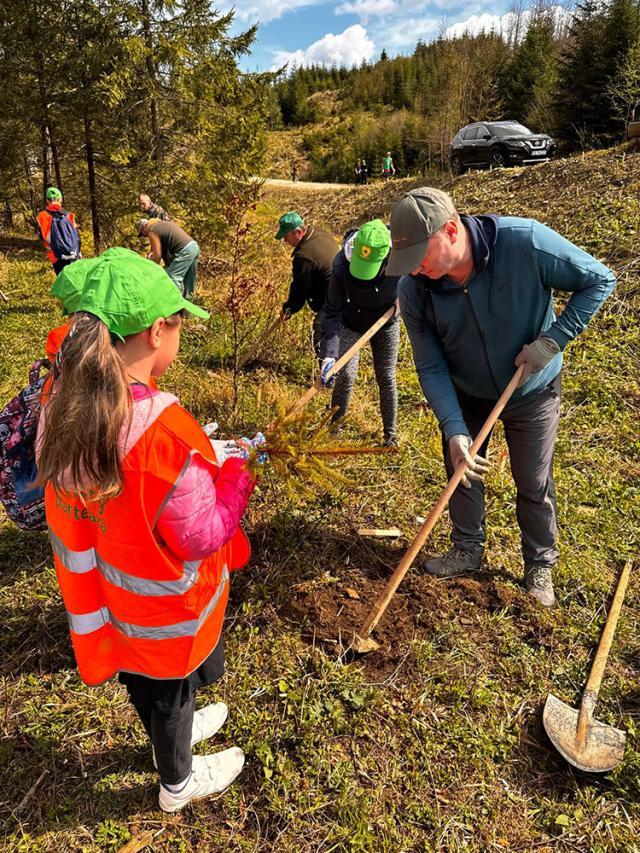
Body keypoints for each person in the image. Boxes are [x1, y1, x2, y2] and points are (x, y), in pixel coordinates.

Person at [36, 248, 265, 812]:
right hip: (163, 616)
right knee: (168, 696)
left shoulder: (60, 404)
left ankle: (177, 736)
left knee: (149, 690)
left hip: (108, 606)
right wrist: (236, 478)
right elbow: (201, 533)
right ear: (157, 331)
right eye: (179, 323)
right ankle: (177, 784)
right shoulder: (159, 432)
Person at [388, 187, 616, 607]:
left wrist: (552, 341)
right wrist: (454, 429)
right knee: (463, 469)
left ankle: (539, 563)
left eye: (420, 254)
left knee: (532, 480)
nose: (415, 268)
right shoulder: (415, 289)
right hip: (467, 393)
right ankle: (468, 548)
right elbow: (431, 366)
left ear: (451, 231)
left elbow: (599, 279)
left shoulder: (524, 243)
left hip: (532, 390)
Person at [320, 219, 400, 446]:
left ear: (386, 258)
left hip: (387, 320)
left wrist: (401, 302)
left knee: (386, 375)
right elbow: (332, 312)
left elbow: (416, 280)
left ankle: (390, 435)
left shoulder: (402, 254)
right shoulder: (340, 266)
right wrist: (329, 354)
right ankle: (334, 429)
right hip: (352, 321)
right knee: (345, 375)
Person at [275, 211, 339, 358]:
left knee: (322, 331)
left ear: (298, 232)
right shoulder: (319, 233)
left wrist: (289, 309)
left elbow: (299, 289)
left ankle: (327, 374)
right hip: (344, 290)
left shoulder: (304, 257)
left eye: (286, 236)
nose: (285, 240)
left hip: (335, 297)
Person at [137, 218, 200, 298]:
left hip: (185, 251)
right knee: (189, 280)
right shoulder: (162, 223)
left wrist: (151, 269)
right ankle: (190, 301)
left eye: (142, 233)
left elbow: (157, 256)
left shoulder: (152, 231)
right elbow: (165, 251)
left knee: (173, 277)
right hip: (194, 246)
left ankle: (175, 303)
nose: (144, 236)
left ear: (144, 227)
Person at [36, 187, 82, 275]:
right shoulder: (69, 215)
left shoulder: (42, 216)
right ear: (60, 199)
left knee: (62, 282)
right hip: (74, 255)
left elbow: (43, 237)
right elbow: (76, 236)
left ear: (47, 200)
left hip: (56, 256)